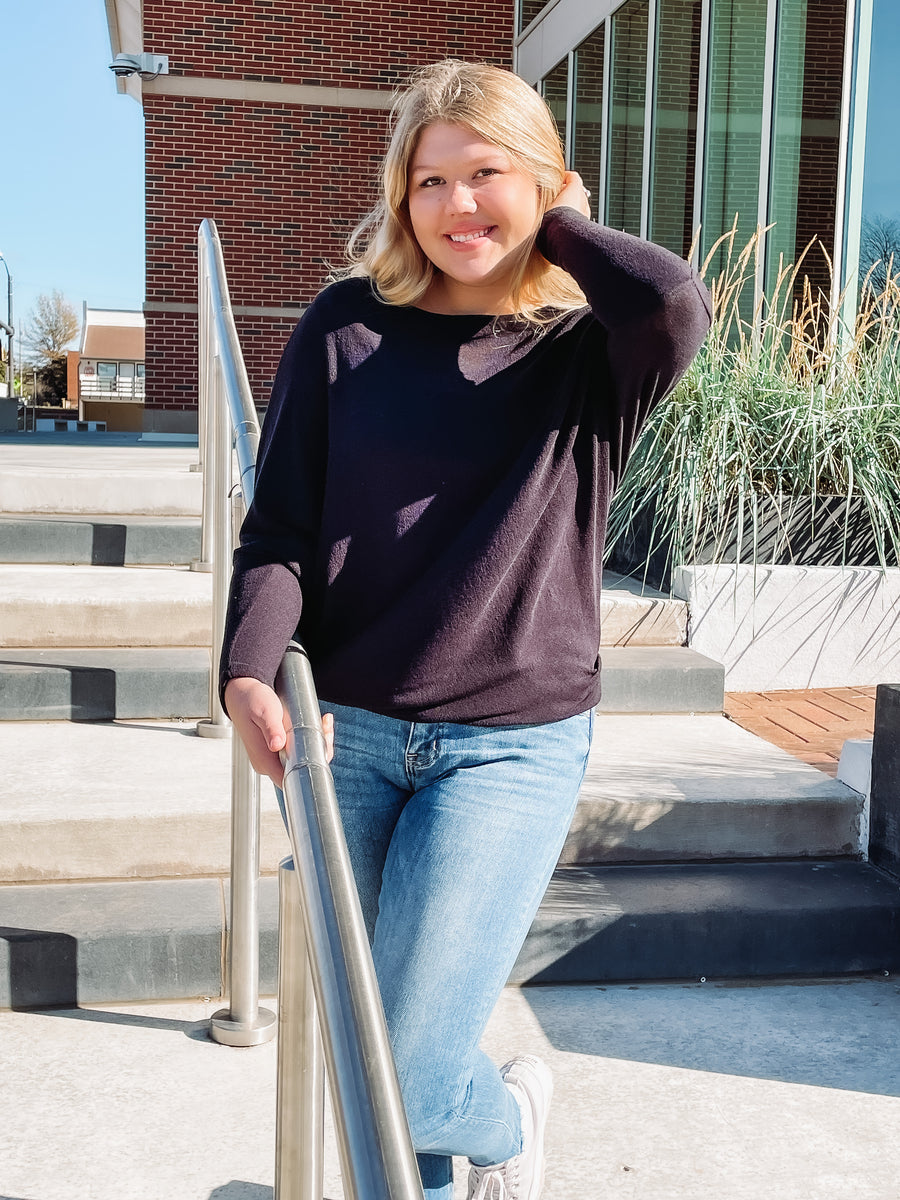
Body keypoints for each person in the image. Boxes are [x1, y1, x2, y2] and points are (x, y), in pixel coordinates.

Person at [221, 58, 711, 1200]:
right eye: (429, 181)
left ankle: (508, 1125)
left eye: (486, 174)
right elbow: (282, 527)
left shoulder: (591, 353)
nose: (456, 207)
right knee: (373, 1079)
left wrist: (562, 226)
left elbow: (674, 300)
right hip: (343, 737)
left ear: (546, 184)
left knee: (405, 1065)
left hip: (508, 748)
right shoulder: (347, 329)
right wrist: (249, 668)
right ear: (401, 197)